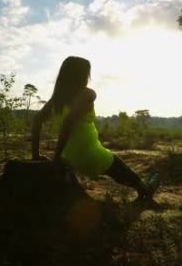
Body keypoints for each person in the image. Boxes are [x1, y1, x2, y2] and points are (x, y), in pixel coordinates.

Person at [31, 56, 159, 201]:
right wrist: (56, 157)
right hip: (90, 155)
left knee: (111, 165)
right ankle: (145, 189)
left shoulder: (56, 99)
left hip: (69, 158)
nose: (88, 77)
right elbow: (69, 122)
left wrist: (36, 154)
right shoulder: (88, 94)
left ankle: (143, 186)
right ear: (81, 75)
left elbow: (37, 121)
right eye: (87, 73)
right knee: (116, 165)